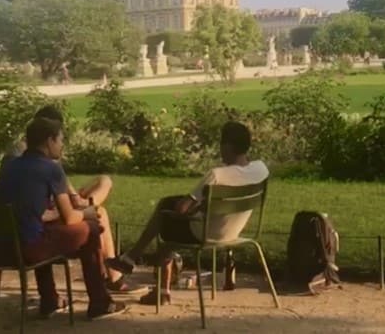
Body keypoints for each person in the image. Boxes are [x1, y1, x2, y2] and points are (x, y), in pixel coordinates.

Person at [106, 121, 268, 304]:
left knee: (165, 216)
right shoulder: (260, 169)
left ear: (228, 146)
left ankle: (156, 286)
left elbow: (182, 209)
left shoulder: (217, 175)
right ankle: (131, 260)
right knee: (168, 209)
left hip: (206, 233)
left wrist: (192, 205)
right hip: (234, 230)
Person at [0, 116, 127, 319]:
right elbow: (71, 218)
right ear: (49, 141)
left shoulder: (10, 166)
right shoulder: (50, 168)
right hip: (27, 251)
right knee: (91, 229)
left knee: (39, 232)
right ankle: (100, 302)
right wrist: (87, 212)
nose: (62, 145)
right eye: (60, 140)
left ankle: (50, 300)